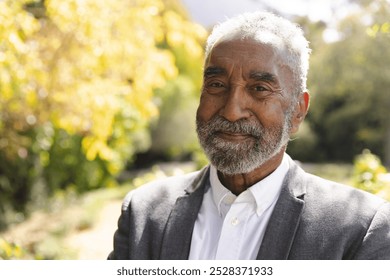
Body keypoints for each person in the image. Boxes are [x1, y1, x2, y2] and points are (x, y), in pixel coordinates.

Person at [108, 11, 390, 260]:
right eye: (217, 84)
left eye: (259, 89)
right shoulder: (142, 214)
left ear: (298, 111)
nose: (231, 111)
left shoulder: (360, 228)